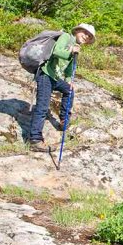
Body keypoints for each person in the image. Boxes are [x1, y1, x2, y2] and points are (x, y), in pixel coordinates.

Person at [29, 23, 96, 152]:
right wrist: (71, 51)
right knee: (42, 107)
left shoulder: (76, 47)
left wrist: (69, 80)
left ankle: (64, 120)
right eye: (85, 33)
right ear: (77, 30)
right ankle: (35, 140)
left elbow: (70, 67)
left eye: (89, 36)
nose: (86, 36)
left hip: (55, 78)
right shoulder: (65, 37)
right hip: (46, 75)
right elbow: (57, 51)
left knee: (69, 90)